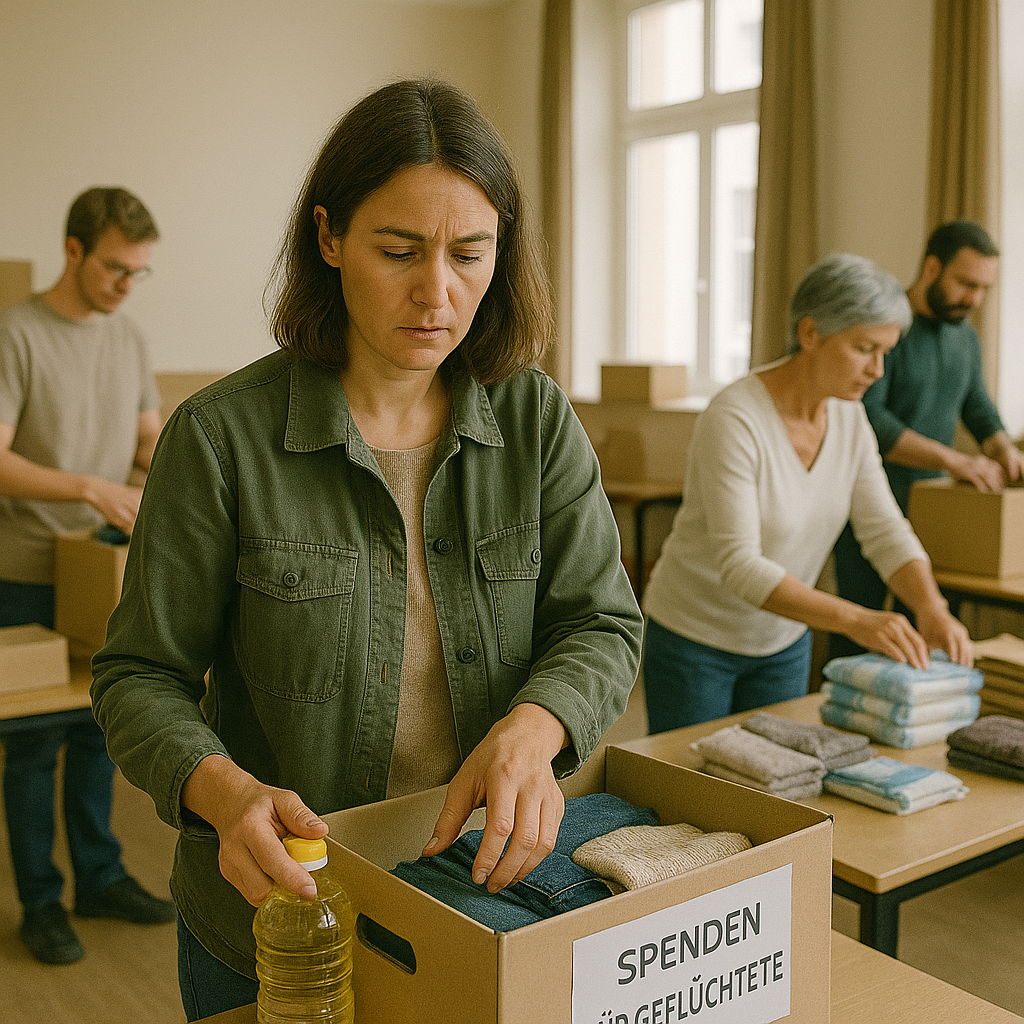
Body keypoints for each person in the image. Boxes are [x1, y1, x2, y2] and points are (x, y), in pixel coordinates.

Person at [90, 79, 643, 1021]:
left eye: (472, 254)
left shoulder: (535, 417)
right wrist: (221, 793)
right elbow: (138, 676)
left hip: (480, 891)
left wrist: (536, 725)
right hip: (277, 909)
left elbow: (601, 621)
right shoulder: (220, 439)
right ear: (330, 238)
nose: (439, 291)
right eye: (399, 251)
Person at [641, 253, 973, 735]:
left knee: (777, 791)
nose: (878, 370)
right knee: (690, 794)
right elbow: (740, 565)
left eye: (886, 352)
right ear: (811, 333)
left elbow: (883, 529)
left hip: (784, 641)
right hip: (696, 639)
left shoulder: (849, 418)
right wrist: (858, 620)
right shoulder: (734, 418)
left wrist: (931, 607)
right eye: (864, 348)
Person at [0, 186, 176, 965]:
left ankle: (99, 876)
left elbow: (145, 441)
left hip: (105, 565)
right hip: (29, 569)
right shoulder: (16, 334)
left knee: (101, 729)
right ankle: (41, 900)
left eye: (140, 273)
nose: (125, 286)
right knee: (35, 742)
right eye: (115, 269)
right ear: (73, 251)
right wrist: (87, 485)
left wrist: (169, 470)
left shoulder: (129, 337)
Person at [831, 220, 1024, 659]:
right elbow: (872, 420)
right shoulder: (885, 329)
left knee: (925, 634)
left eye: (983, 289)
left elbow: (977, 405)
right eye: (965, 283)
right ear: (932, 267)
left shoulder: (965, 337)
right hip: (866, 506)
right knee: (857, 632)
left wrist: (1001, 447)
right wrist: (957, 462)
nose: (973, 298)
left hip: (934, 515)